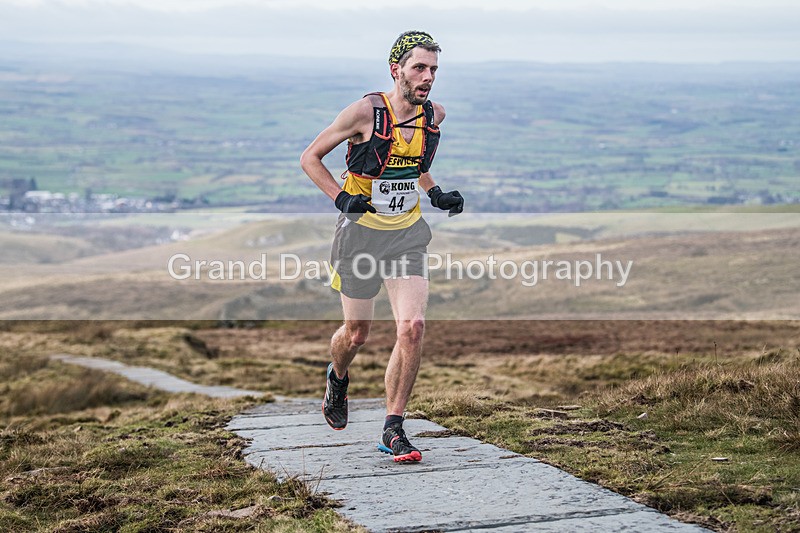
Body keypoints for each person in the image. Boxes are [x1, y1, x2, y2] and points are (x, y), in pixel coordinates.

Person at [300, 30, 464, 463]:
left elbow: (412, 165)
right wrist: (341, 198)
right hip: (359, 236)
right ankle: (337, 376)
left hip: (407, 234)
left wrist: (435, 191)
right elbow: (310, 158)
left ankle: (393, 427)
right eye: (419, 68)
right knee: (357, 334)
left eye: (433, 70)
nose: (428, 77)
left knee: (412, 327)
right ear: (397, 71)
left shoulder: (435, 116)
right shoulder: (363, 113)